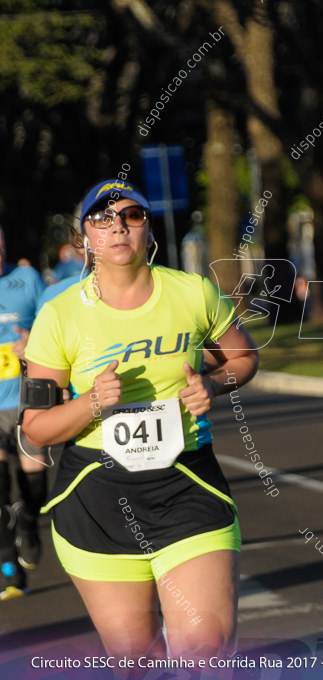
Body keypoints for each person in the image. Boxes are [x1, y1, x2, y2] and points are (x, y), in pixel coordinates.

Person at [21, 179, 259, 658]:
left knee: (205, 650)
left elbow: (243, 358)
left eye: (131, 216)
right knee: (135, 660)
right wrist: (90, 402)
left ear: (147, 229)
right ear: (84, 236)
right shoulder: (60, 314)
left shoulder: (193, 292)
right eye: (103, 218)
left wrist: (213, 385)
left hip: (186, 484)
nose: (118, 227)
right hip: (97, 499)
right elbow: (36, 429)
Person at [0, 226, 47, 600]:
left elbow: (55, 323)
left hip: (27, 398)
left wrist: (33, 340)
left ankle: (29, 522)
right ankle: (9, 560)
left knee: (35, 479)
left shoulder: (26, 278)